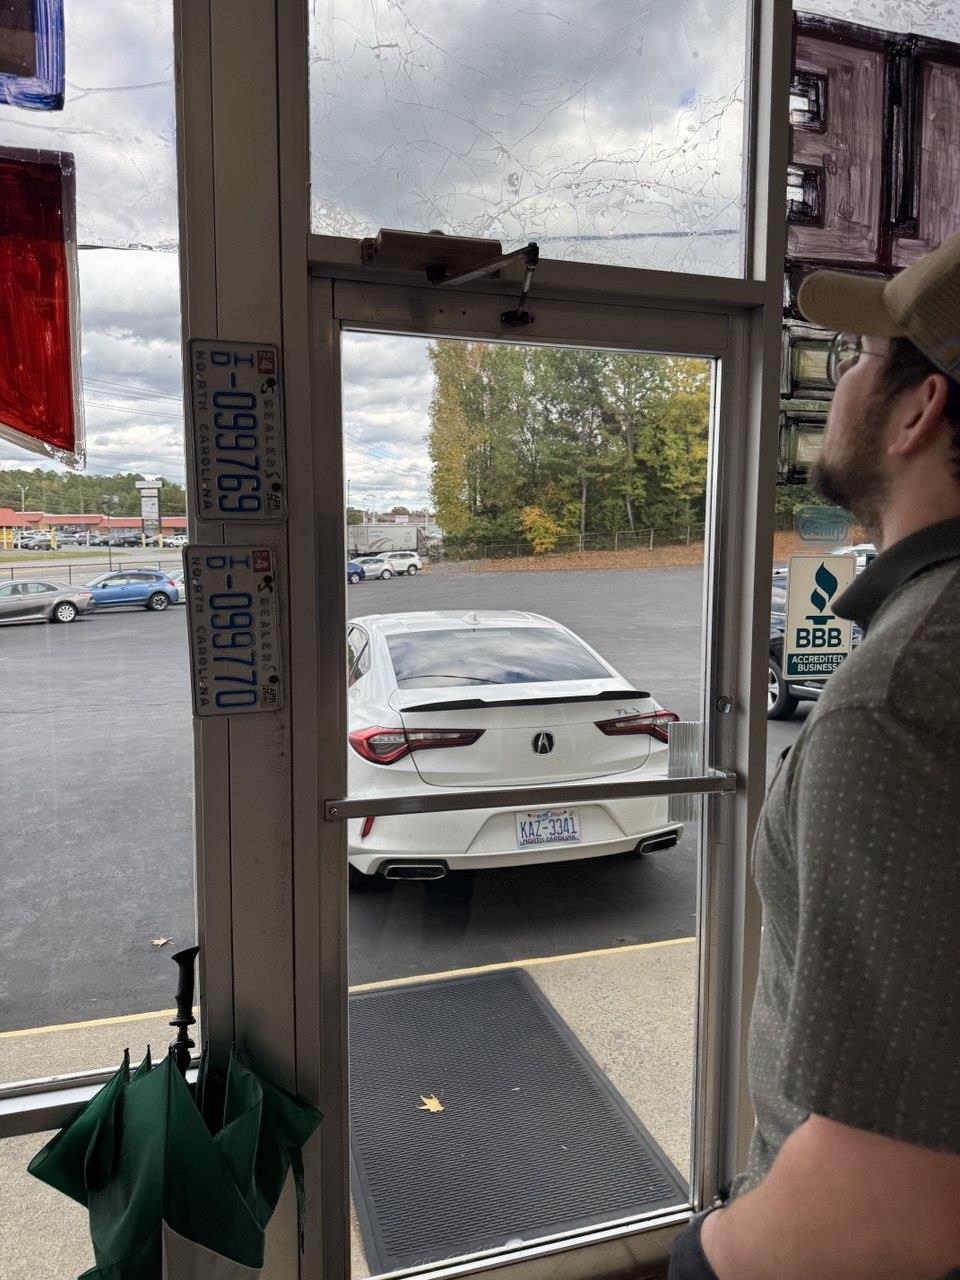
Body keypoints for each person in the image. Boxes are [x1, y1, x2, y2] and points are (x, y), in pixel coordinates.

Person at [669, 230, 960, 1279]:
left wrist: (706, 1257)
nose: (838, 377)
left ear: (921, 411)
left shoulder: (898, 696)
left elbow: (895, 1203)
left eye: (867, 353)